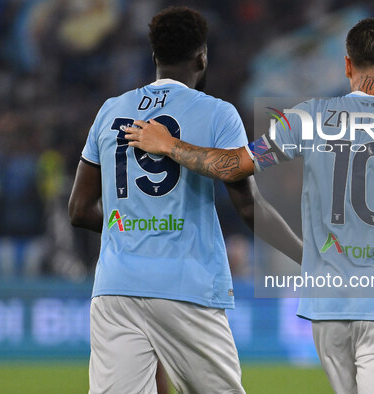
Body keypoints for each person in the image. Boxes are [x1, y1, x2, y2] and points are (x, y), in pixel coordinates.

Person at [124, 18, 374, 394]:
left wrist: (170, 146)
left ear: (346, 65)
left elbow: (233, 164)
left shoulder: (306, 117)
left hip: (328, 312)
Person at [68, 6, 301, 394]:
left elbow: (78, 210)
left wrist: (130, 224)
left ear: (155, 56)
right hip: (186, 285)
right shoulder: (217, 113)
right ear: (202, 56)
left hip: (116, 288)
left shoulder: (110, 111)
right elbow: (248, 204)